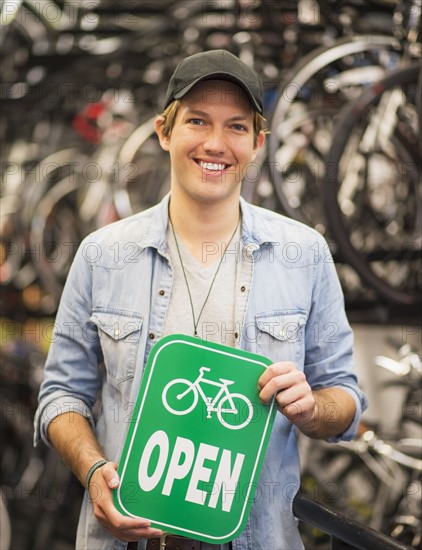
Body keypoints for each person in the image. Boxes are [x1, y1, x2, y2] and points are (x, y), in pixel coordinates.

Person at [35, 49, 367, 550]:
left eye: (236, 127)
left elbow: (345, 398)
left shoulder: (304, 254)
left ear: (256, 143)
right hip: (130, 538)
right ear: (164, 132)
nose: (215, 143)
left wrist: (311, 408)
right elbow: (61, 397)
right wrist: (93, 469)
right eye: (197, 121)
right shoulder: (102, 255)